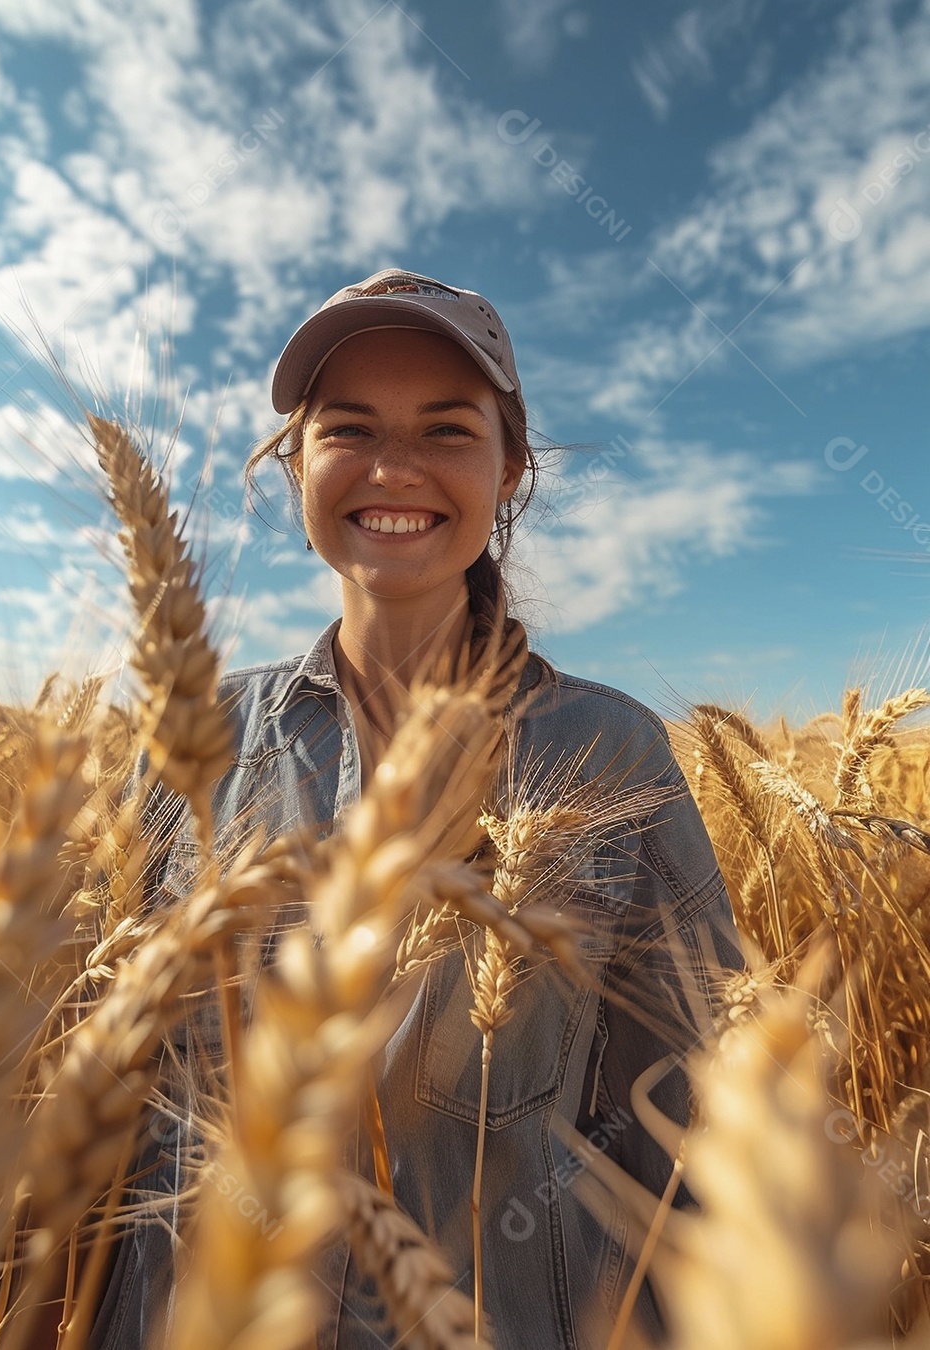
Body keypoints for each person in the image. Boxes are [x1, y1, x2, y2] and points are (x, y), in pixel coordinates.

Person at [89, 269, 744, 1349]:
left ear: (508, 468)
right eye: (349, 429)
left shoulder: (612, 753)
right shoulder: (189, 739)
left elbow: (692, 1122)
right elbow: (92, 1086)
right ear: (296, 463)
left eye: (447, 430)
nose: (394, 470)